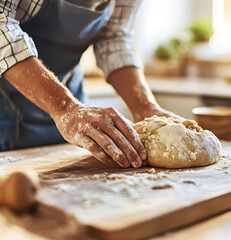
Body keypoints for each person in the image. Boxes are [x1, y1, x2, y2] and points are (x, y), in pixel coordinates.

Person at [0, 0, 179, 168]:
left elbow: (114, 36)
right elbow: (2, 24)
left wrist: (144, 106)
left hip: (71, 99)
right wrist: (64, 108)